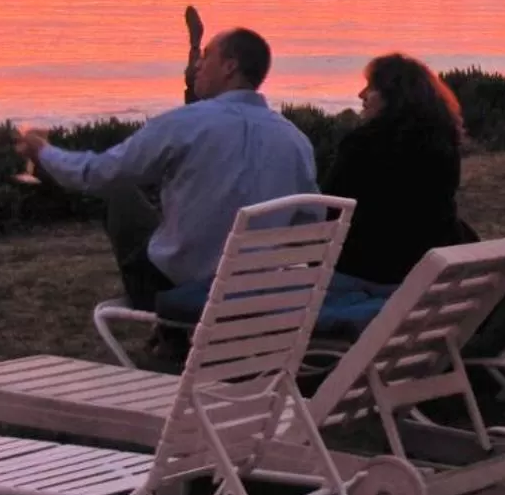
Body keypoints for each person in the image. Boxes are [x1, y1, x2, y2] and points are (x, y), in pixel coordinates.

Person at [21, 27, 317, 311]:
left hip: (181, 293)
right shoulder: (295, 140)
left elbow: (99, 173)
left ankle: (172, 333)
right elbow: (310, 224)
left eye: (206, 56)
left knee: (121, 194)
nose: (197, 65)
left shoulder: (184, 124)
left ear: (230, 67)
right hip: (258, 296)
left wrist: (44, 152)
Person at [322, 53, 468, 288]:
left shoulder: (362, 144)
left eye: (371, 88)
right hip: (424, 266)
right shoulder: (443, 143)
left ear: (393, 96)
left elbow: (331, 210)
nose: (361, 95)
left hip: (368, 271)